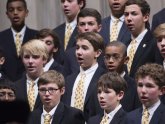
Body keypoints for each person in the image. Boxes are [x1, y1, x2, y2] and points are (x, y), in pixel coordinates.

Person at [62, 32, 105, 121]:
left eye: (84, 48)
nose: (79, 52)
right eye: (77, 48)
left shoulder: (104, 78)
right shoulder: (69, 79)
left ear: (97, 53)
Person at [0, 0, 38, 81]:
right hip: (4, 87)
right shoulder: (1, 37)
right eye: (11, 10)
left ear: (26, 12)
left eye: (19, 9)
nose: (15, 13)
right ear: (7, 14)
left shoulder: (36, 37)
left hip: (30, 84)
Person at [63, 8, 105, 76]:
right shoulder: (70, 54)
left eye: (90, 24)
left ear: (99, 28)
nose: (86, 28)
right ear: (78, 29)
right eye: (82, 24)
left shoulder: (108, 51)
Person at [124, 0, 160, 78]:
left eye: (134, 14)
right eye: (126, 14)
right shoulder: (123, 44)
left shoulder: (155, 42)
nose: (128, 18)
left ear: (145, 17)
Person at [104, 41, 140, 112]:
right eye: (107, 57)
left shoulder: (134, 86)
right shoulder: (98, 84)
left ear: (126, 60)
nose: (110, 61)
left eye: (116, 57)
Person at [15, 39, 49, 112]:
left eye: (35, 57)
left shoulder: (54, 85)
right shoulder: (15, 86)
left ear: (44, 59)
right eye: (26, 57)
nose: (30, 61)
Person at [53, 0, 86, 65]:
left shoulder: (86, 29)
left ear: (81, 3)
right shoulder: (55, 32)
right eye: (63, 1)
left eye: (69, 1)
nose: (65, 4)